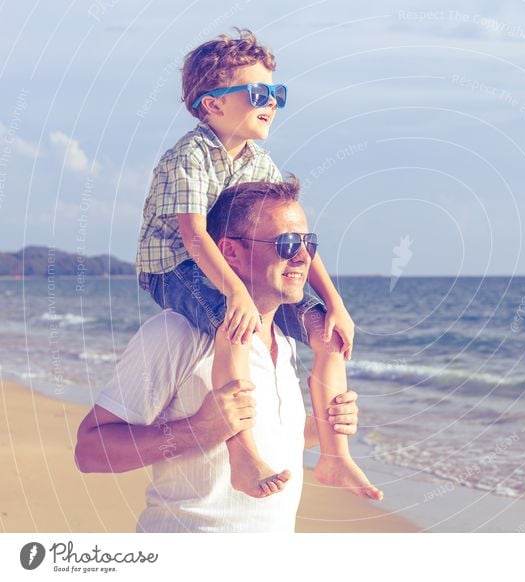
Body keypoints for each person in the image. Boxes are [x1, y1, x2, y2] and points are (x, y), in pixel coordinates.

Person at [134, 29, 379, 499]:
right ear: (213, 105)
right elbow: (194, 235)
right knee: (235, 324)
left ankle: (336, 457)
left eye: (277, 93)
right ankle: (243, 454)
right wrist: (237, 294)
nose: (272, 103)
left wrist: (336, 303)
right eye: (258, 93)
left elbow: (295, 242)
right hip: (174, 266)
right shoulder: (189, 156)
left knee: (327, 332)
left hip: (233, 270)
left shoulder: (259, 163)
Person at [75, 179, 370, 532]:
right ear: (230, 251)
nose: (303, 256)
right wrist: (197, 430)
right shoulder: (176, 335)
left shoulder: (285, 342)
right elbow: (89, 450)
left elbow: (271, 437)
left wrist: (325, 425)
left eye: (309, 243)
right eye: (287, 243)